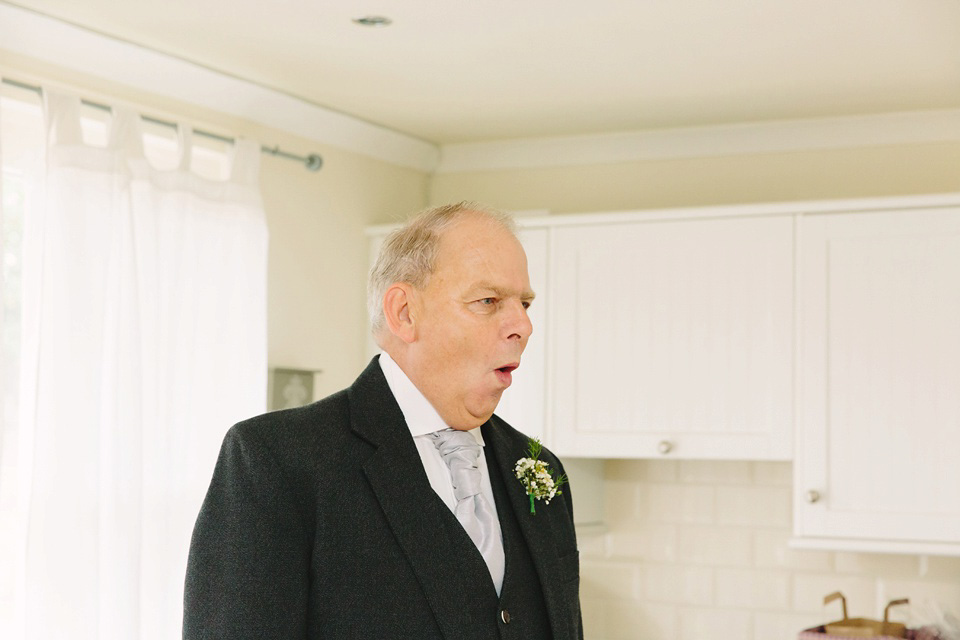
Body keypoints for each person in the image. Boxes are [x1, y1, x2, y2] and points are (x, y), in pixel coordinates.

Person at [183, 202, 582, 639]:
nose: (522, 325)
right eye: (488, 301)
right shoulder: (276, 461)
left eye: (524, 302)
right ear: (405, 313)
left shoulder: (540, 469)